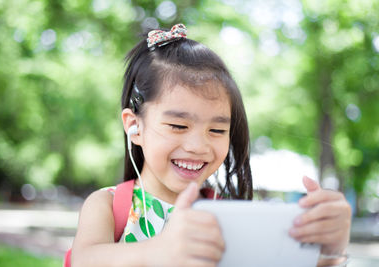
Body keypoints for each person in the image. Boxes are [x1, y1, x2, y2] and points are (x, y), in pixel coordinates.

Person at [71, 24, 351, 267]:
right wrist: (159, 251)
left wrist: (328, 247)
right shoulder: (108, 206)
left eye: (217, 130)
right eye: (178, 126)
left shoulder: (230, 216)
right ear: (134, 126)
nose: (197, 145)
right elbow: (84, 260)